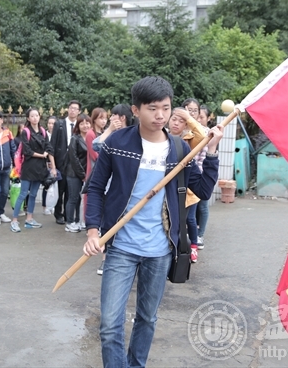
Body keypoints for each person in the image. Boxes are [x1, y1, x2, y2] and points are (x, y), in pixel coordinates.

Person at [83, 76, 223, 367]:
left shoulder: (179, 149)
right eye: (152, 108)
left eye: (166, 108)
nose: (160, 115)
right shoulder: (117, 143)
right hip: (121, 246)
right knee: (109, 324)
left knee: (147, 318)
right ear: (136, 110)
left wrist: (211, 152)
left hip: (160, 250)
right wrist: (93, 231)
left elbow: (202, 190)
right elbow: (95, 188)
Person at [90, 104, 135, 275]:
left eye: (113, 115)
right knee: (107, 223)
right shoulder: (111, 135)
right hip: (108, 188)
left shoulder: (133, 136)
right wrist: (110, 129)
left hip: (125, 189)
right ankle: (105, 259)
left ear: (122, 117)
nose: (110, 118)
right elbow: (96, 146)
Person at [167, 107, 206, 263]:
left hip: (185, 189)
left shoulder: (189, 140)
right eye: (174, 119)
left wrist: (189, 118)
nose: (176, 123)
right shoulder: (160, 136)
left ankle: (191, 246)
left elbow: (202, 136)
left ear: (186, 125)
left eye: (181, 121)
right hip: (166, 188)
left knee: (188, 219)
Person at [10, 108, 56, 233]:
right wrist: (42, 155)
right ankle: (14, 220)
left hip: (39, 168)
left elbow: (48, 147)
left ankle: (29, 219)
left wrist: (53, 166)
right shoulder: (25, 132)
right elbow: (27, 151)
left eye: (37, 115)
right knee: (23, 193)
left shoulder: (42, 131)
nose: (35, 118)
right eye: (32, 116)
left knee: (34, 194)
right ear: (28, 118)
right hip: (28, 167)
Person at [49, 100, 81, 225]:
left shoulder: (80, 125)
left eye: (75, 108)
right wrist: (53, 166)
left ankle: (68, 215)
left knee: (70, 190)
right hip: (61, 161)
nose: (73, 110)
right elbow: (52, 144)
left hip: (73, 162)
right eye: (71, 108)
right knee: (60, 189)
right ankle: (58, 214)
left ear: (79, 111)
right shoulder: (60, 124)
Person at [65, 114, 91, 233]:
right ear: (78, 125)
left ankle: (78, 221)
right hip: (74, 173)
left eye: (87, 123)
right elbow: (73, 158)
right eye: (82, 123)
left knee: (80, 199)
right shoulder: (75, 138)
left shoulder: (92, 137)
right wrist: (82, 175)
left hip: (86, 173)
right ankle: (69, 223)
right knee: (73, 198)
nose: (85, 126)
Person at [83, 108, 108, 223]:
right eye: (101, 118)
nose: (104, 121)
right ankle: (89, 222)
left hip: (104, 168)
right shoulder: (90, 134)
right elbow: (94, 155)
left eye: (105, 118)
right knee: (91, 196)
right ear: (94, 119)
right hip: (94, 169)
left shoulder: (104, 133)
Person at [196, 105, 212, 249]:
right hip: (191, 173)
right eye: (198, 116)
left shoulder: (207, 133)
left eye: (202, 117)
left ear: (208, 118)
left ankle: (200, 235)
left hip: (201, 174)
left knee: (202, 206)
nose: (199, 119)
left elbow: (204, 158)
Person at [42, 115, 57, 215]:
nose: (51, 125)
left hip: (56, 163)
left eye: (53, 123)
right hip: (45, 163)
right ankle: (45, 206)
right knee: (46, 185)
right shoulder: (44, 135)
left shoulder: (58, 135)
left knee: (55, 186)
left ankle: (53, 205)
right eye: (49, 123)